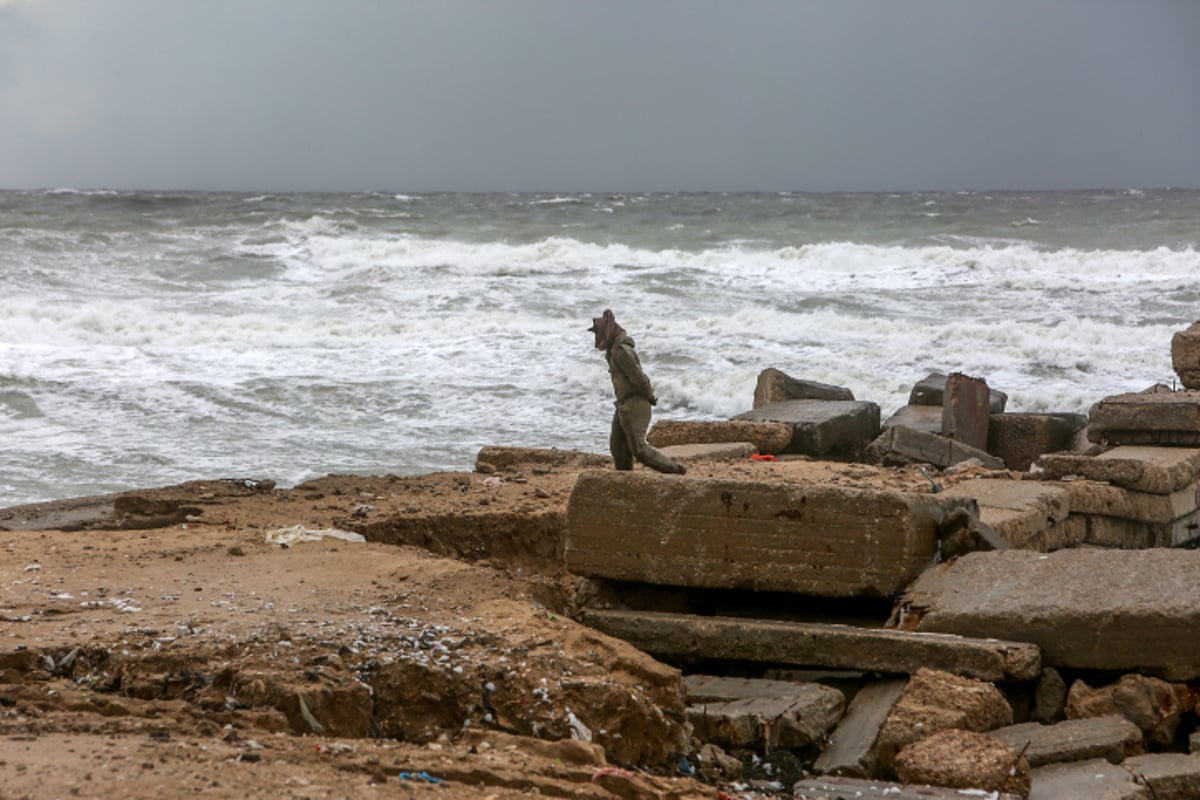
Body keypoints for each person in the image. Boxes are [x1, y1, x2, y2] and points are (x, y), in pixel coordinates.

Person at [588, 309, 686, 475]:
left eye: (598, 332)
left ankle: (675, 470)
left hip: (634, 403)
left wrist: (650, 396)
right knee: (618, 447)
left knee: (639, 450)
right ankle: (626, 481)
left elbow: (639, 378)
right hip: (623, 403)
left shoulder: (621, 352)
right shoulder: (613, 351)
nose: (596, 337)